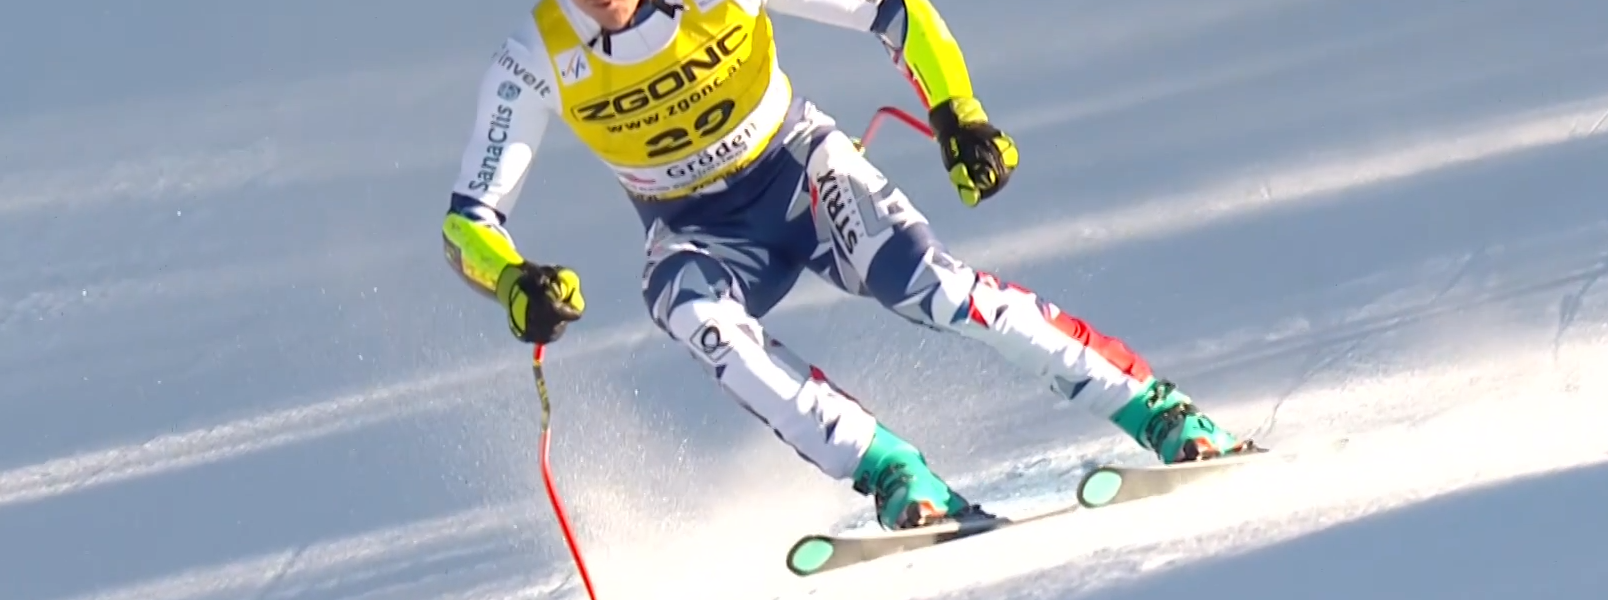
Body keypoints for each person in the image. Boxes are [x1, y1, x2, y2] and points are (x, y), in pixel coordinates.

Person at [440, 0, 1254, 531]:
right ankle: (893, 471)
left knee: (937, 291)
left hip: (799, 171)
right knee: (692, 314)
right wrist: (513, 282)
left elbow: (895, 13)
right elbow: (469, 221)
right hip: (696, 229)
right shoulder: (535, 56)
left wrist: (959, 113)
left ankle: (1155, 410)